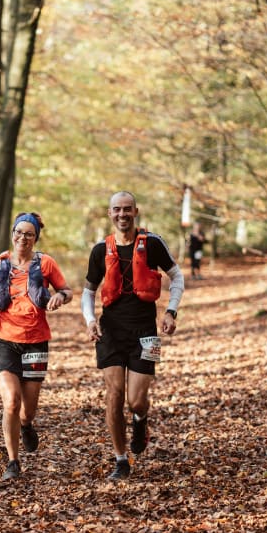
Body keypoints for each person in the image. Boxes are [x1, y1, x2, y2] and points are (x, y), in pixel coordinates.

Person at [81, 191, 184, 480]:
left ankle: (141, 419)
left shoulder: (152, 243)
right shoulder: (100, 250)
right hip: (111, 332)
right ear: (109, 213)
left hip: (146, 333)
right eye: (117, 209)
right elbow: (88, 292)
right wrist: (90, 321)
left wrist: (171, 312)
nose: (122, 214)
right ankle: (120, 459)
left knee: (136, 400)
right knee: (114, 395)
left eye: (127, 209)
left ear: (136, 212)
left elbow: (177, 277)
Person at [0, 212, 72, 481]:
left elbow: (67, 291)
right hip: (3, 340)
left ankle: (27, 425)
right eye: (18, 232)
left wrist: (59, 297)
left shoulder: (46, 264)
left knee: (27, 410)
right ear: (12, 234)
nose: (23, 238)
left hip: (35, 341)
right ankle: (13, 461)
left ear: (35, 238)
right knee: (11, 401)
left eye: (29, 234)